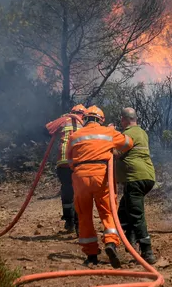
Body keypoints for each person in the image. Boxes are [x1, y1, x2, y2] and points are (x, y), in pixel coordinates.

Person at [68, 105, 134, 267]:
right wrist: (113, 148)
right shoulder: (108, 132)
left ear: (84, 119)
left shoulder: (74, 136)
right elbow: (128, 143)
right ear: (101, 120)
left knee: (84, 214)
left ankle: (91, 255)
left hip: (80, 177)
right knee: (108, 211)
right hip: (102, 175)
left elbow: (69, 161)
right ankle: (111, 243)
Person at [115, 107, 158, 264]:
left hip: (135, 179)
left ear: (124, 120)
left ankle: (147, 252)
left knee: (136, 215)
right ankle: (130, 239)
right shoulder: (142, 132)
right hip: (147, 177)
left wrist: (108, 137)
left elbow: (115, 152)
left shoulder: (127, 135)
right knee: (123, 211)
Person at [45, 104, 86, 233]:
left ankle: (69, 222)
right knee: (79, 193)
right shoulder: (86, 124)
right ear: (84, 114)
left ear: (71, 112)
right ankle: (79, 224)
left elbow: (47, 129)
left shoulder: (64, 120)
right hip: (80, 162)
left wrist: (59, 122)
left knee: (67, 190)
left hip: (64, 162)